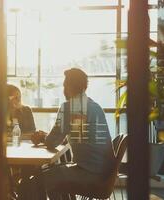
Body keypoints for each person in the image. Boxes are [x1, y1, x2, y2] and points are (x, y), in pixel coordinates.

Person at [25, 68, 114, 199]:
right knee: (49, 172)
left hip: (88, 174)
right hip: (104, 174)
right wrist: (47, 137)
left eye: (64, 85)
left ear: (69, 86)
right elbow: (74, 135)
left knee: (33, 181)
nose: (63, 89)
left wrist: (42, 138)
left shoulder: (69, 107)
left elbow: (52, 142)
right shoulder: (94, 106)